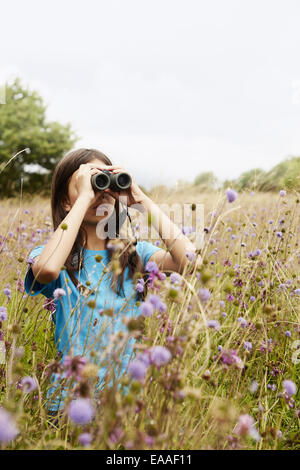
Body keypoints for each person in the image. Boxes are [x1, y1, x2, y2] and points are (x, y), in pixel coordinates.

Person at [24, 148, 200, 416]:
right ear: (66, 201)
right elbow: (47, 269)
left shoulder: (135, 255)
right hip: (69, 404)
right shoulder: (52, 256)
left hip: (125, 405)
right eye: (90, 183)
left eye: (105, 184)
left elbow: (191, 262)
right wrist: (85, 197)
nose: (99, 193)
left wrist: (142, 201)